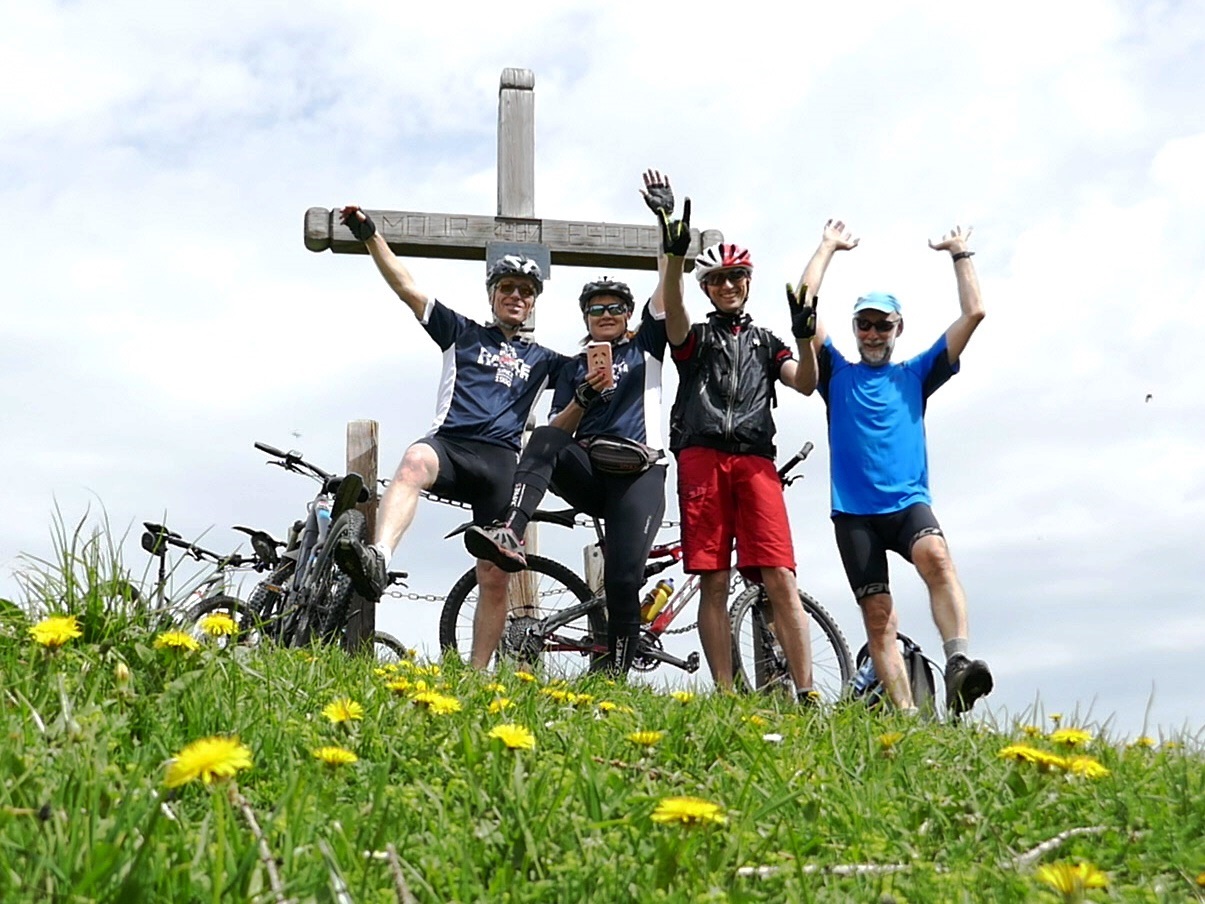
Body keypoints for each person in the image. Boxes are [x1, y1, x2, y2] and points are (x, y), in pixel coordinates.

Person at [332, 205, 569, 668]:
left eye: (525, 291)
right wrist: (370, 236)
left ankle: (477, 675)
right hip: (452, 446)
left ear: (534, 301)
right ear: (492, 294)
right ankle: (379, 555)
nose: (516, 296)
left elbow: (600, 374)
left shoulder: (546, 360)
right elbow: (407, 287)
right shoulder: (460, 333)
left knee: (494, 576)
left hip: (501, 462)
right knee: (413, 461)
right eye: (507, 288)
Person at [466, 170, 682, 674]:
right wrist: (583, 396)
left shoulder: (648, 345)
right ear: (585, 318)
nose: (605, 314)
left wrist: (665, 224)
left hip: (639, 474)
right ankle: (511, 533)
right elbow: (559, 430)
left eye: (614, 308)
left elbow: (667, 287)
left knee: (625, 579)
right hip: (589, 469)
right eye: (595, 309)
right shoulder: (571, 364)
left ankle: (613, 676)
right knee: (544, 435)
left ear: (629, 314)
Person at [794, 218, 993, 716]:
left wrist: (960, 253)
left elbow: (976, 312)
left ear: (898, 329)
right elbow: (802, 302)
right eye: (865, 323)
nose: (874, 332)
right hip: (855, 514)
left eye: (884, 324)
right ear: (855, 328)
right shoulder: (835, 372)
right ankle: (906, 717)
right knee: (879, 618)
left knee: (938, 559)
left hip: (906, 502)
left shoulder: (917, 372)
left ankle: (958, 662)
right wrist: (827, 247)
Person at [659, 222, 819, 703]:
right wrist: (674, 259)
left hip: (755, 461)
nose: (728, 285)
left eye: (737, 276)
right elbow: (675, 311)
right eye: (718, 279)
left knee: (781, 577)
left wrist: (805, 336)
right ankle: (726, 694)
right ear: (707, 286)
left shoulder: (769, 343)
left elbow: (806, 383)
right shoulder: (698, 338)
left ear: (748, 282)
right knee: (714, 578)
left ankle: (807, 691)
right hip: (702, 455)